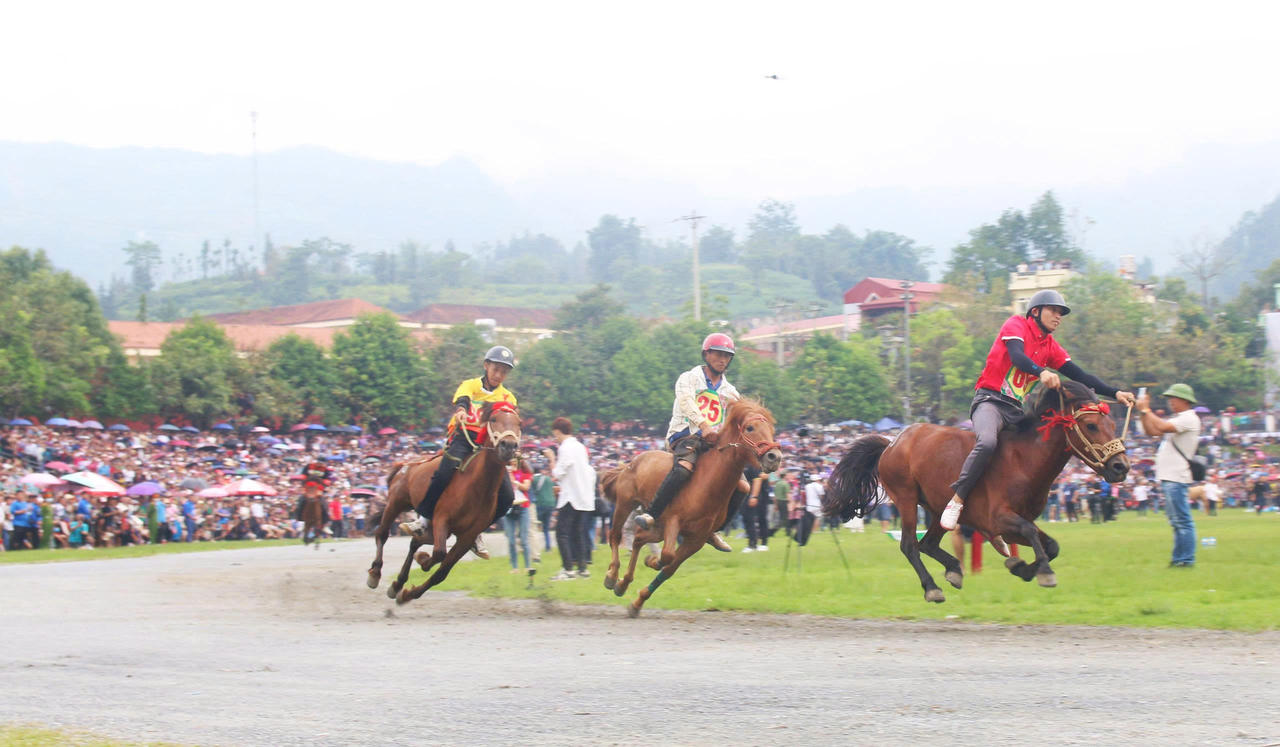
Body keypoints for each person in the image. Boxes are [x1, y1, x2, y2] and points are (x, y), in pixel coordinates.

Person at [941, 290, 1136, 530]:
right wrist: (1041, 371)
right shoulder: (1016, 324)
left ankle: (1000, 512)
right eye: (1053, 311)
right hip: (989, 402)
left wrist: (1115, 392)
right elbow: (1017, 356)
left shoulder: (1050, 346)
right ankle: (957, 499)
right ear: (1035, 311)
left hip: (1015, 410)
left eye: (1061, 313)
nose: (1058, 316)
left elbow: (1080, 375)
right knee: (988, 442)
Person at [399, 345, 519, 560]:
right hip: (464, 437)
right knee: (443, 474)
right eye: (496, 369)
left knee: (508, 496)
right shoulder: (470, 385)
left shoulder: (508, 397)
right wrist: (462, 410)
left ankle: (477, 531)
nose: (499, 375)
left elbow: (508, 421)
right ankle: (423, 520)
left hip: (489, 445)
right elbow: (463, 400)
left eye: (504, 371)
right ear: (486, 366)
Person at [634, 332, 742, 552]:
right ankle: (652, 514)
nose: (722, 359)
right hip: (685, 435)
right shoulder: (689, 378)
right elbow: (686, 402)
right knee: (684, 468)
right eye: (718, 354)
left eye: (726, 356)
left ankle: (714, 529)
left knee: (743, 485)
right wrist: (704, 426)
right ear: (706, 354)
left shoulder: (731, 392)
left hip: (712, 442)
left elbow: (737, 418)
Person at [1137, 382, 1202, 568]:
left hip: (1176, 476)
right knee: (1176, 521)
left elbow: (1163, 427)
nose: (1170, 402)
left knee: (1182, 521)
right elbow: (1152, 431)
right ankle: (1179, 559)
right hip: (1170, 476)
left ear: (1184, 400)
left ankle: (1186, 559)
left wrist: (1146, 409)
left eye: (1173, 398)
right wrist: (1142, 413)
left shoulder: (1189, 418)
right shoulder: (1180, 418)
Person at [549, 416, 594, 581]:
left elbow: (559, 472)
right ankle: (582, 568)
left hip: (571, 497)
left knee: (561, 533)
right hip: (583, 497)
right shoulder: (580, 447)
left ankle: (568, 569)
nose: (555, 437)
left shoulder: (565, 447)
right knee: (578, 533)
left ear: (557, 431)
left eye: (555, 434)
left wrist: (551, 459)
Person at [503, 458, 533, 573]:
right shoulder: (505, 472)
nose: (513, 461)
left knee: (524, 539)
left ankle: (528, 566)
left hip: (523, 507)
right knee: (511, 540)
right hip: (509, 508)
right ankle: (514, 567)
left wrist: (514, 481)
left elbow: (526, 487)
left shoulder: (525, 473)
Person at [529, 454, 557, 561]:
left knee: (534, 526)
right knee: (546, 528)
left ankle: (535, 548)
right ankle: (548, 547)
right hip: (550, 504)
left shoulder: (533, 479)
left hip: (540, 504)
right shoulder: (548, 479)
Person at [741, 465, 770, 553]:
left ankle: (762, 543)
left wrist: (754, 496)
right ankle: (753, 543)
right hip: (748, 494)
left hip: (760, 494)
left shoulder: (754, 465)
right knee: (747, 518)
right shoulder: (745, 464)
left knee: (761, 518)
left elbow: (758, 479)